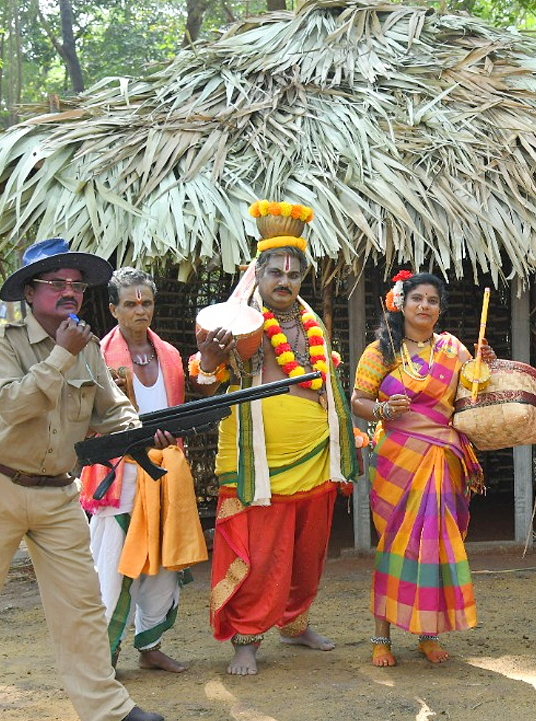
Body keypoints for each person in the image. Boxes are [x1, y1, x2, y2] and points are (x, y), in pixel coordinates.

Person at [0, 238, 169, 721]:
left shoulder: (88, 348)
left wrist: (140, 429)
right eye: (56, 284)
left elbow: (112, 408)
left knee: (81, 602)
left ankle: (105, 707)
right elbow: (12, 407)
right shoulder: (1, 343)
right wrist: (59, 356)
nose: (69, 292)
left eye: (76, 285)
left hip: (57, 493)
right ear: (30, 294)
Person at [193, 200, 358, 676]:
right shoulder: (238, 321)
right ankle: (247, 637)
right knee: (262, 552)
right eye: (276, 274)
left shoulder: (311, 321)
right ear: (258, 276)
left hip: (316, 453)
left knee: (307, 549)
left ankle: (295, 621)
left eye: (294, 275)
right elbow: (206, 379)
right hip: (259, 461)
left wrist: (345, 443)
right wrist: (207, 361)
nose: (285, 283)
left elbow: (327, 385)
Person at [351, 271, 492, 666]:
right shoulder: (382, 350)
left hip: (444, 459)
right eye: (417, 299)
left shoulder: (452, 349)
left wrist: (485, 365)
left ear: (439, 308)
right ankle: (382, 638)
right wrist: (381, 410)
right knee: (395, 546)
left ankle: (428, 634)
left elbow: (473, 391)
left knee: (432, 547)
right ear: (402, 303)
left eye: (432, 300)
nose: (425, 306)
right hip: (397, 460)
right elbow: (358, 399)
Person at [79, 267, 207, 673]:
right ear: (114, 309)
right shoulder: (95, 356)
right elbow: (83, 420)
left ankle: (149, 645)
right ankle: (105, 656)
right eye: (130, 304)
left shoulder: (169, 355)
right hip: (117, 476)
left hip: (165, 473)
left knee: (164, 564)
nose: (140, 311)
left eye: (146, 303)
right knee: (115, 566)